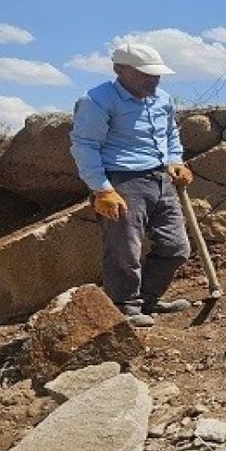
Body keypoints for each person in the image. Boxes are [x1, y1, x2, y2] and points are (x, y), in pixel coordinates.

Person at [69, 42, 194, 328]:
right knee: (125, 250)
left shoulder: (161, 98)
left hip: (161, 178)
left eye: (157, 75)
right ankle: (124, 306)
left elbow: (171, 133)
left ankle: (147, 300)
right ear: (119, 70)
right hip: (121, 182)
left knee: (176, 248)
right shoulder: (97, 100)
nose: (154, 80)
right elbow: (85, 145)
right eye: (145, 74)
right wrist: (102, 189)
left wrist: (175, 160)